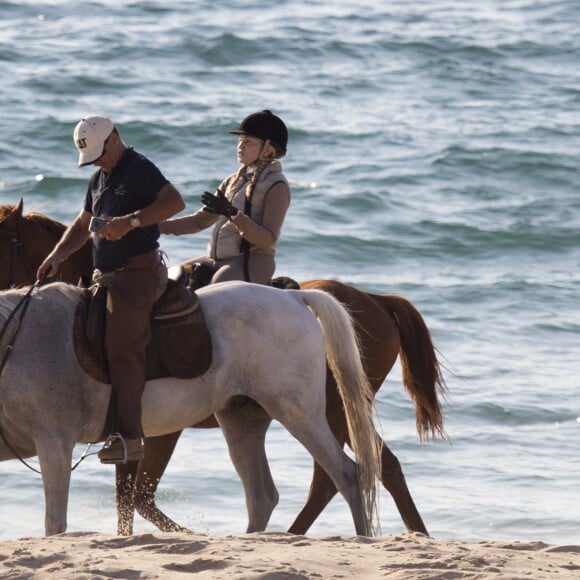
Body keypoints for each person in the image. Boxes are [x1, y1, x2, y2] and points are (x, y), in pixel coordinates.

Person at [37, 115, 185, 464]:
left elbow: (175, 202)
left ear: (115, 139)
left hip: (138, 274)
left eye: (100, 154)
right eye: (91, 159)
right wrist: (57, 256)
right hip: (105, 276)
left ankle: (130, 438)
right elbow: (83, 222)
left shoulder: (139, 168)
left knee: (122, 345)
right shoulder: (98, 178)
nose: (97, 162)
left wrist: (130, 222)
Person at [159, 110, 290, 285]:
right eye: (240, 141)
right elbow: (199, 221)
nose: (240, 146)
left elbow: (267, 239)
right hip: (216, 260)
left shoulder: (276, 186)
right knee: (171, 280)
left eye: (248, 142)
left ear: (268, 150)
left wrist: (233, 214)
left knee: (214, 294)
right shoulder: (232, 181)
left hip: (251, 263)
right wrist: (156, 227)